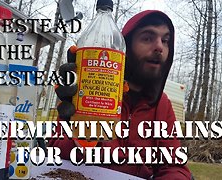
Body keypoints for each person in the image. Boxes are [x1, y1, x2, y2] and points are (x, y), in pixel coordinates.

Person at [49, 10, 192, 180]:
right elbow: (54, 155)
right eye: (147, 38)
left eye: (165, 40)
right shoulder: (88, 92)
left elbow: (175, 167)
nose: (160, 47)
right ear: (125, 46)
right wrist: (81, 138)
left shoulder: (162, 105)